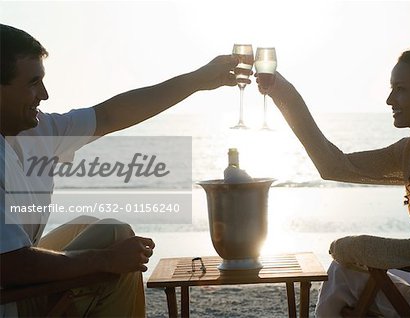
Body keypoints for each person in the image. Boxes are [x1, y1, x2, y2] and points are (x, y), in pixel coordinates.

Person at [0, 23, 243, 317]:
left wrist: (198, 80)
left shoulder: (35, 131)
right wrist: (105, 259)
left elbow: (109, 114)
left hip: (17, 277)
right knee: (115, 237)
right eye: (32, 83)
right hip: (10, 299)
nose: (45, 94)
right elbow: (10, 265)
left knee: (93, 226)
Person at [258, 45, 410, 317]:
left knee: (342, 272)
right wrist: (282, 90)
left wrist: (354, 246)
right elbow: (333, 166)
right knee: (349, 269)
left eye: (401, 89)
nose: (389, 100)